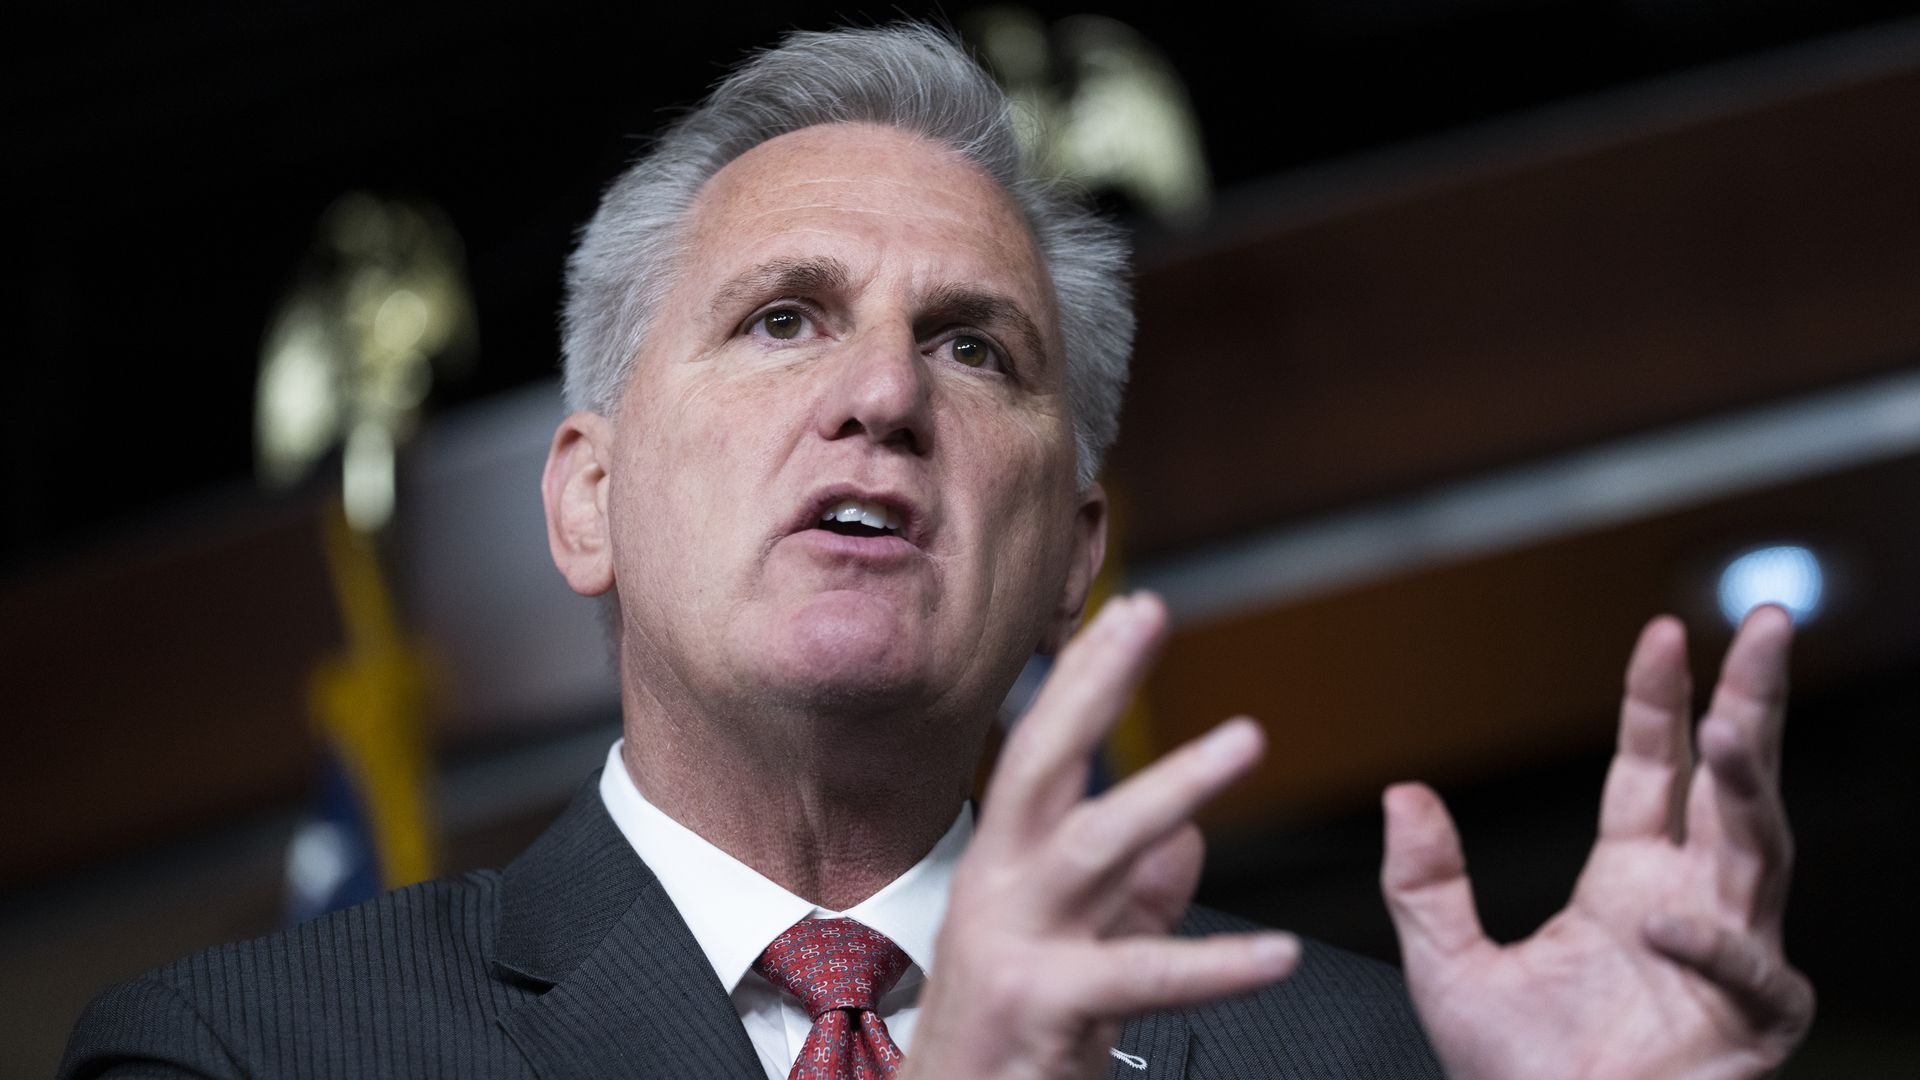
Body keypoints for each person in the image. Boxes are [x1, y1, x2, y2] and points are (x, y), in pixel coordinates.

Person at [60, 23, 1812, 1080]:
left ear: (1075, 550)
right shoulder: (243, 1050)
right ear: (585, 497)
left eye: (978, 349)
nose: (883, 393)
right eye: (781, 322)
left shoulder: (1362, 1061)